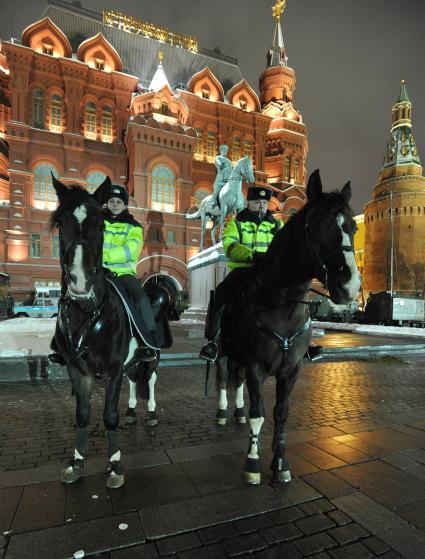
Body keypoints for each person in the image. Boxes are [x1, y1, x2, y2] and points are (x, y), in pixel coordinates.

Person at [199, 186, 322, 362]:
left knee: (297, 296)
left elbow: (287, 247)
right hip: (244, 269)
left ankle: (305, 343)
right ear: (249, 203)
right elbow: (229, 244)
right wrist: (250, 255)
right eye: (257, 202)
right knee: (221, 293)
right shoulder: (237, 222)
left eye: (264, 203)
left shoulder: (276, 224)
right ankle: (213, 341)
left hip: (271, 273)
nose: (261, 206)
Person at [48, 184, 158, 364]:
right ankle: (60, 344)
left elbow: (130, 250)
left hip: (122, 273)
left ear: (125, 205)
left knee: (141, 299)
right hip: (95, 270)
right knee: (67, 296)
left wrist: (102, 256)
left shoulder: (134, 227)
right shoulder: (97, 219)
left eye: (119, 201)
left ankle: (148, 342)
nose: (115, 204)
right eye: (112, 201)